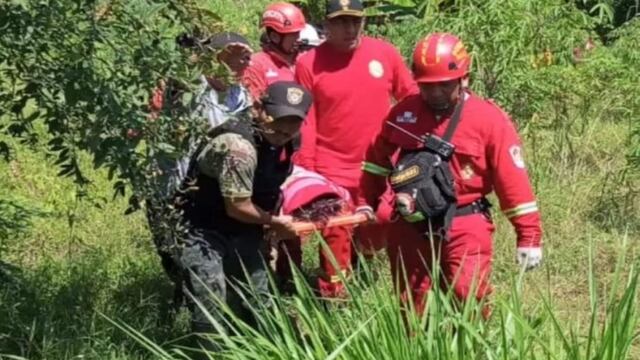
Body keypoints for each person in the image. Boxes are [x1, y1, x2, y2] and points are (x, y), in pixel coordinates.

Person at [358, 33, 543, 317]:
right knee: (410, 302)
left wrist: (528, 234)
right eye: (427, 87)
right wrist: (367, 201)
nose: (434, 94)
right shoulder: (403, 112)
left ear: (463, 78)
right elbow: (376, 161)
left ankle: (470, 349)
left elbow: (512, 179)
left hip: (464, 221)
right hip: (410, 222)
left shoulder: (488, 119)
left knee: (468, 295)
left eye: (443, 86)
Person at [173, 81, 312, 337]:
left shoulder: (289, 138)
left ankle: (270, 349)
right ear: (259, 107)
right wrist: (274, 222)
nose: (284, 131)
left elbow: (271, 184)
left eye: (293, 123)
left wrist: (272, 221)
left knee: (261, 299)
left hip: (245, 227)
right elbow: (237, 206)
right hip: (203, 229)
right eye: (278, 120)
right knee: (210, 304)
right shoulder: (239, 147)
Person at [294, 0, 417, 267]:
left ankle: (363, 254)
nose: (350, 28)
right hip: (332, 168)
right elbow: (306, 123)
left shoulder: (385, 53)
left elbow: (411, 99)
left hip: (379, 166)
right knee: (335, 234)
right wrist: (309, 174)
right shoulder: (308, 63)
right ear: (326, 24)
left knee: (384, 219)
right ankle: (333, 299)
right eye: (341, 21)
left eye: (355, 21)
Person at [144, 31, 253, 310]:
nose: (243, 63)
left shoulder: (240, 95)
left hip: (206, 193)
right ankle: (182, 297)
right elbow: (176, 76)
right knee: (173, 258)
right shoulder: (188, 86)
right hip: (170, 187)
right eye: (234, 56)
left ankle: (205, 306)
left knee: (203, 260)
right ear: (213, 59)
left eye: (246, 57)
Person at [277, 166, 354, 297]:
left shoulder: (342, 199)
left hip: (328, 197)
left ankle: (334, 289)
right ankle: (289, 278)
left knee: (337, 240)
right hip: (290, 194)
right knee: (289, 241)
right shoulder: (282, 198)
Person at [242, 2, 306, 100]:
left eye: (298, 33)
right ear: (275, 37)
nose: (298, 38)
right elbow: (256, 105)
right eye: (293, 35)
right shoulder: (256, 65)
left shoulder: (305, 60)